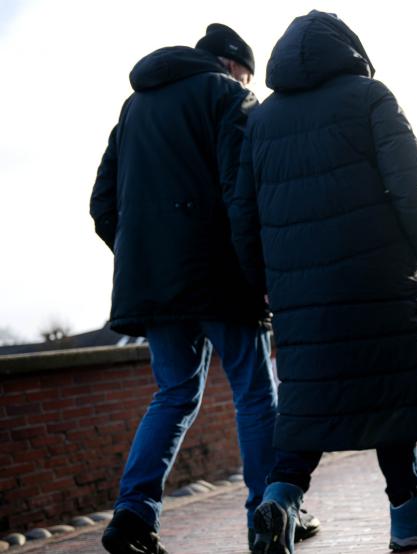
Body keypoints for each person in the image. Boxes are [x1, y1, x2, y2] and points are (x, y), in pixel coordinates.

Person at [227, 11, 417, 554]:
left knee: (310, 405)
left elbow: (241, 211)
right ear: (348, 49)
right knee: (389, 391)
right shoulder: (370, 97)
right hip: (377, 275)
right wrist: (416, 252)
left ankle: (280, 499)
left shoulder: (261, 121)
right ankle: (408, 514)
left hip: (299, 295)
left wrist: (264, 281)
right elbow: (411, 179)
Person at [89, 24, 318, 554]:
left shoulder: (133, 108)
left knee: (174, 394)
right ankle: (270, 512)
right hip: (220, 275)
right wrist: (256, 271)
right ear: (233, 64)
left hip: (154, 285)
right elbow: (243, 191)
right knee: (257, 395)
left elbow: (102, 205)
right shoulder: (226, 94)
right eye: (248, 74)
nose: (250, 84)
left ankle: (133, 517)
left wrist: (146, 258)